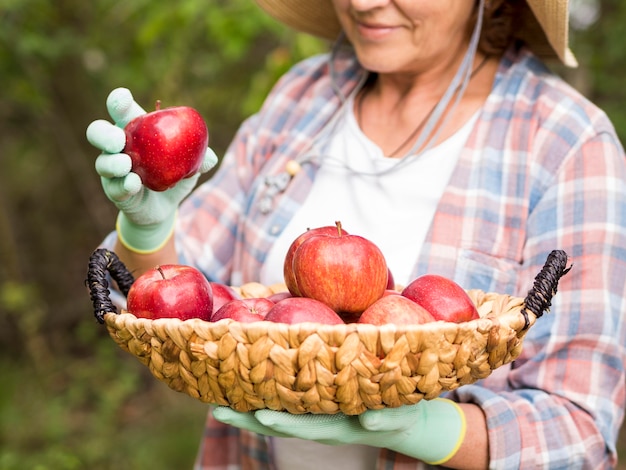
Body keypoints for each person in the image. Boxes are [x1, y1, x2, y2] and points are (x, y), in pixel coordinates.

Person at [86, 0, 626, 468]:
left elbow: (578, 432)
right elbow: (172, 306)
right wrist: (147, 222)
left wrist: (425, 428)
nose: (364, 3)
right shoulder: (303, 98)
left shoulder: (565, 141)